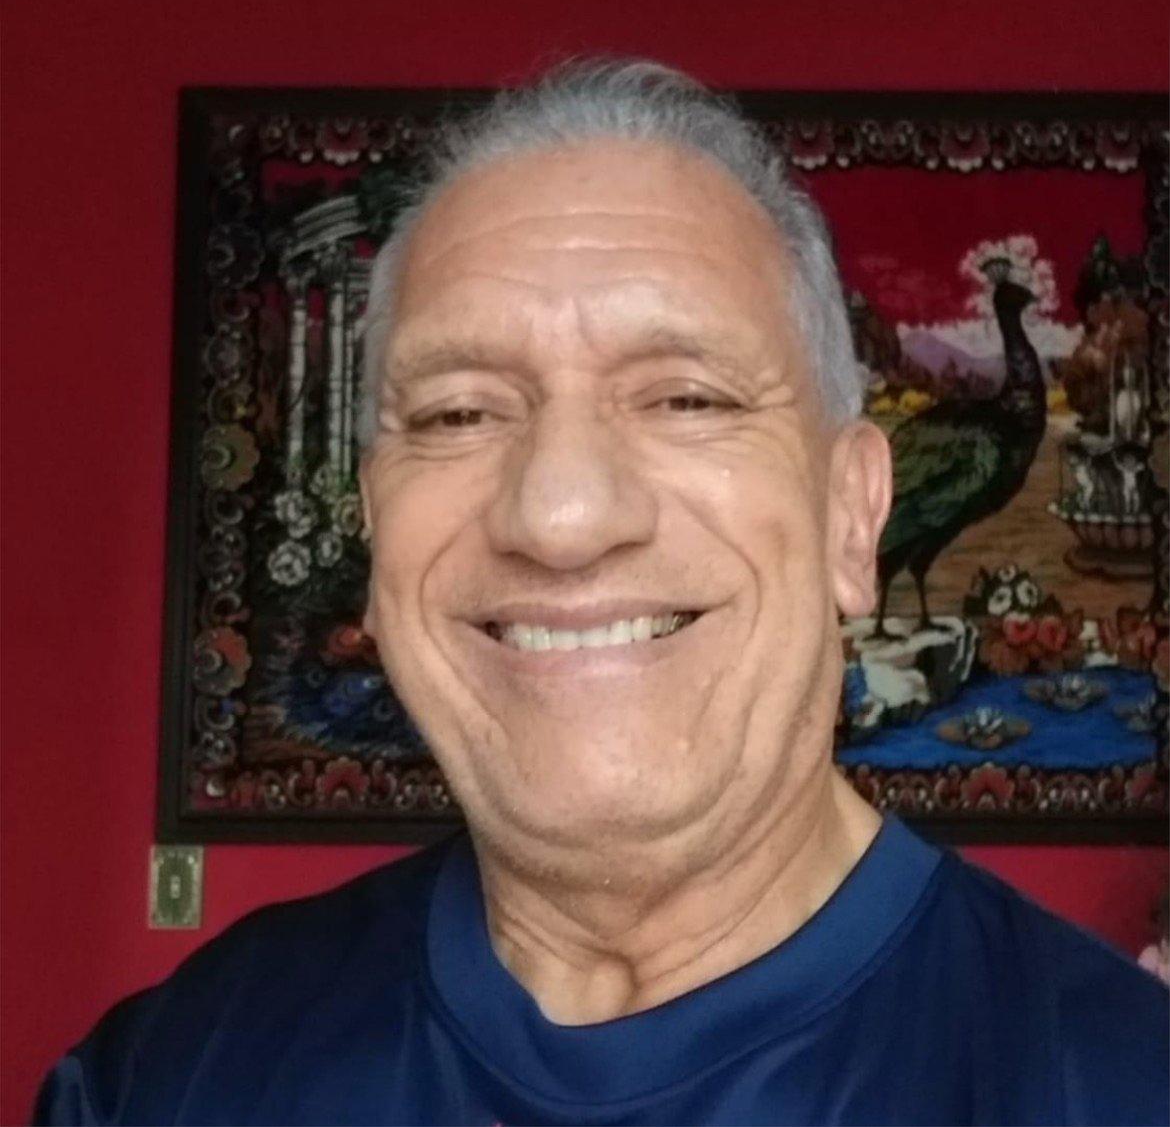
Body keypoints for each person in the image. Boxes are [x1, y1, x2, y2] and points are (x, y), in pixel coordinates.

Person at [37, 60, 1168, 1126]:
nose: (561, 514)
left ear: (851, 512)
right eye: (457, 413)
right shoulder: (170, 1076)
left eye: (686, 399)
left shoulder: (1116, 1081)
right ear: (376, 533)